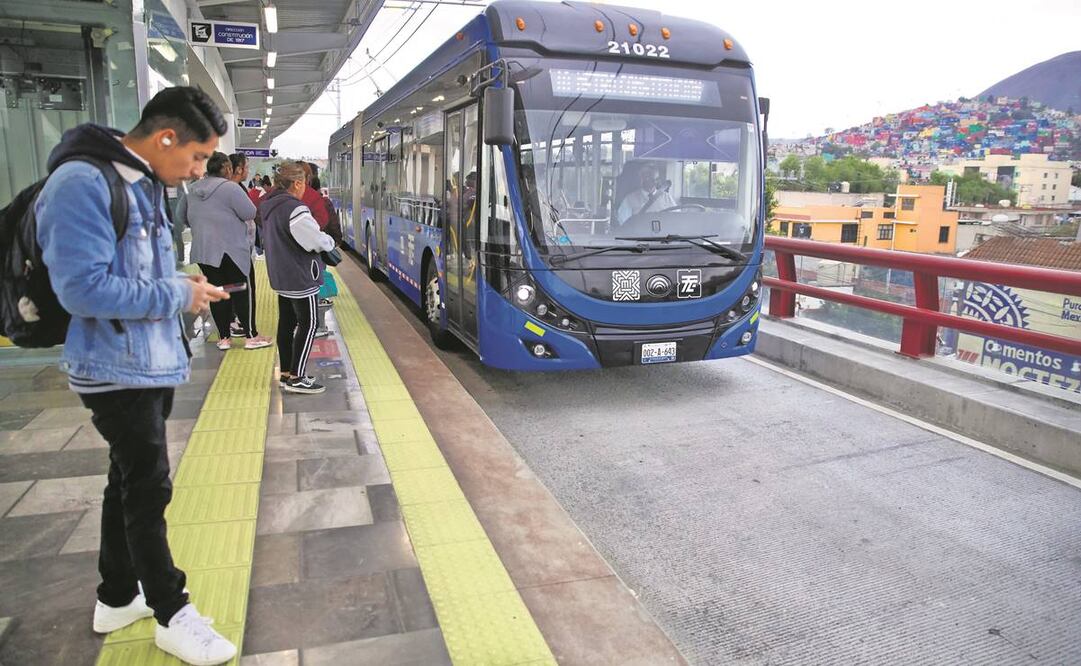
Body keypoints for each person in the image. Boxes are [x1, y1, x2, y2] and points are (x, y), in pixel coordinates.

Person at [35, 86, 238, 665]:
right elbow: (82, 289)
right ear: (166, 137)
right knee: (149, 488)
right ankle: (173, 613)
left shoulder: (140, 182)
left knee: (125, 481)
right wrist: (177, 295)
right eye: (198, 157)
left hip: (146, 361)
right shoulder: (82, 183)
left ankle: (118, 596)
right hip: (113, 367)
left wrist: (183, 287)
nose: (198, 170)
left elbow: (134, 274)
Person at [181, 152, 270, 351]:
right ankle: (251, 336)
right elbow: (249, 212)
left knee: (218, 291)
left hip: (204, 251)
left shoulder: (192, 189)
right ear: (228, 169)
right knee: (242, 290)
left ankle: (224, 338)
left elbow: (182, 216)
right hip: (232, 250)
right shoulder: (230, 188)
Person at [259, 161, 335, 394]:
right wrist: (329, 242)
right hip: (300, 275)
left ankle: (286, 372)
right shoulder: (295, 209)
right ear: (298, 183)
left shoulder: (270, 204)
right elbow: (315, 240)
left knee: (287, 323)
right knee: (309, 324)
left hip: (281, 274)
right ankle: (297, 376)